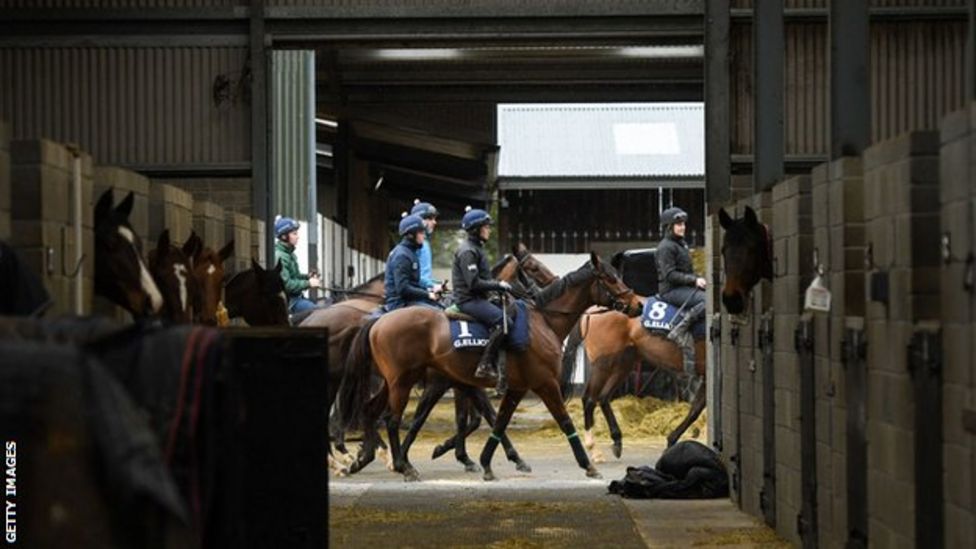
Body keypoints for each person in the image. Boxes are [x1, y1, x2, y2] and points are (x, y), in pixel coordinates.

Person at [452, 206, 514, 391]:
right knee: (504, 323)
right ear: (476, 229)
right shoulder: (468, 251)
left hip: (478, 298)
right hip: (468, 301)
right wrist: (499, 285)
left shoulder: (476, 248)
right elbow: (473, 283)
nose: (489, 229)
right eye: (486, 226)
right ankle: (485, 365)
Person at [655, 207, 706, 378]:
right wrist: (694, 280)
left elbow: (685, 270)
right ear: (669, 227)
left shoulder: (680, 244)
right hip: (671, 291)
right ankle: (680, 330)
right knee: (707, 301)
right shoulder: (665, 247)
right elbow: (669, 275)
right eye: (678, 224)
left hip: (683, 287)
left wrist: (699, 278)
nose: (683, 227)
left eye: (683, 223)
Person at [384, 213, 441, 311]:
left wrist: (430, 289)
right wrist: (428, 294)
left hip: (409, 300)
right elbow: (403, 289)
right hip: (400, 303)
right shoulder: (402, 255)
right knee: (438, 314)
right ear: (411, 235)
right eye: (421, 233)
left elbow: (413, 283)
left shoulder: (410, 252)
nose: (424, 236)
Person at [273, 215, 321, 314]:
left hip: (297, 298)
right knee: (318, 312)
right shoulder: (280, 256)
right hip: (290, 302)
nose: (297, 236)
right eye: (294, 234)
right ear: (284, 236)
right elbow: (287, 285)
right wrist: (309, 283)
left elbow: (295, 277)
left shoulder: (289, 254)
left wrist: (307, 277)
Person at [410, 199, 446, 294]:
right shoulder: (418, 245)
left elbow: (424, 276)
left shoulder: (424, 243)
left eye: (434, 219)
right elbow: (416, 277)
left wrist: (437, 283)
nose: (434, 222)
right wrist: (432, 285)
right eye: (430, 219)